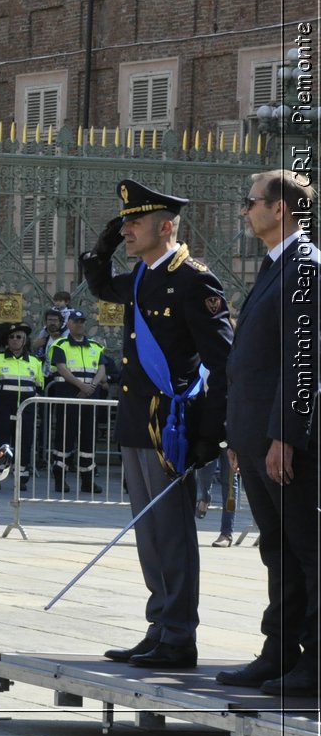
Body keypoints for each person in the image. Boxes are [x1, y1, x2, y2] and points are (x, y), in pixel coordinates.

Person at [81, 179, 232, 671]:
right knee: (149, 531)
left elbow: (222, 359)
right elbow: (102, 286)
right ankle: (159, 625)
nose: (126, 229)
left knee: (172, 532)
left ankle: (179, 636)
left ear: (165, 227)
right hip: (135, 422)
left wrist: (212, 434)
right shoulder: (144, 275)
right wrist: (100, 250)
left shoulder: (193, 279)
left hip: (171, 426)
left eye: (135, 222)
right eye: (124, 222)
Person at [216, 170, 319, 697]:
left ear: (279, 209)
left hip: (287, 443)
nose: (244, 210)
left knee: (308, 549)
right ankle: (279, 650)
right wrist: (241, 438)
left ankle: (316, 663)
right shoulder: (275, 266)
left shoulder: (306, 268)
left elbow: (303, 362)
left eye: (251, 201)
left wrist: (284, 436)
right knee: (276, 549)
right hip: (256, 439)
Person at [46, 310, 107, 493]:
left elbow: (102, 368)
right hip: (69, 394)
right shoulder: (60, 345)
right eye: (75, 321)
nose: (79, 324)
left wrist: (91, 386)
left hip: (90, 396)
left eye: (82, 321)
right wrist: (82, 385)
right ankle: (60, 478)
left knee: (89, 438)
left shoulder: (96, 346)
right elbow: (62, 369)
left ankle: (87, 479)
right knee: (65, 436)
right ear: (69, 324)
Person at [0, 322, 42, 490]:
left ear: (25, 340)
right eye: (12, 337)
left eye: (19, 337)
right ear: (6, 340)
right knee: (0, 442)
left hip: (26, 410)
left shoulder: (35, 362)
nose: (15, 340)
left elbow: (39, 387)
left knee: (24, 442)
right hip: (2, 408)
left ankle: (21, 477)